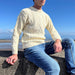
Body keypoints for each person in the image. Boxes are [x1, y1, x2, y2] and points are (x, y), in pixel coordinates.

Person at [6, 0, 75, 75]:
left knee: (69, 41)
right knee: (54, 67)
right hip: (31, 48)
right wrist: (14, 53)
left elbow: (53, 31)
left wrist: (57, 41)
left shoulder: (46, 16)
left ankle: (72, 72)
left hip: (43, 46)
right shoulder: (25, 12)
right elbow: (17, 32)